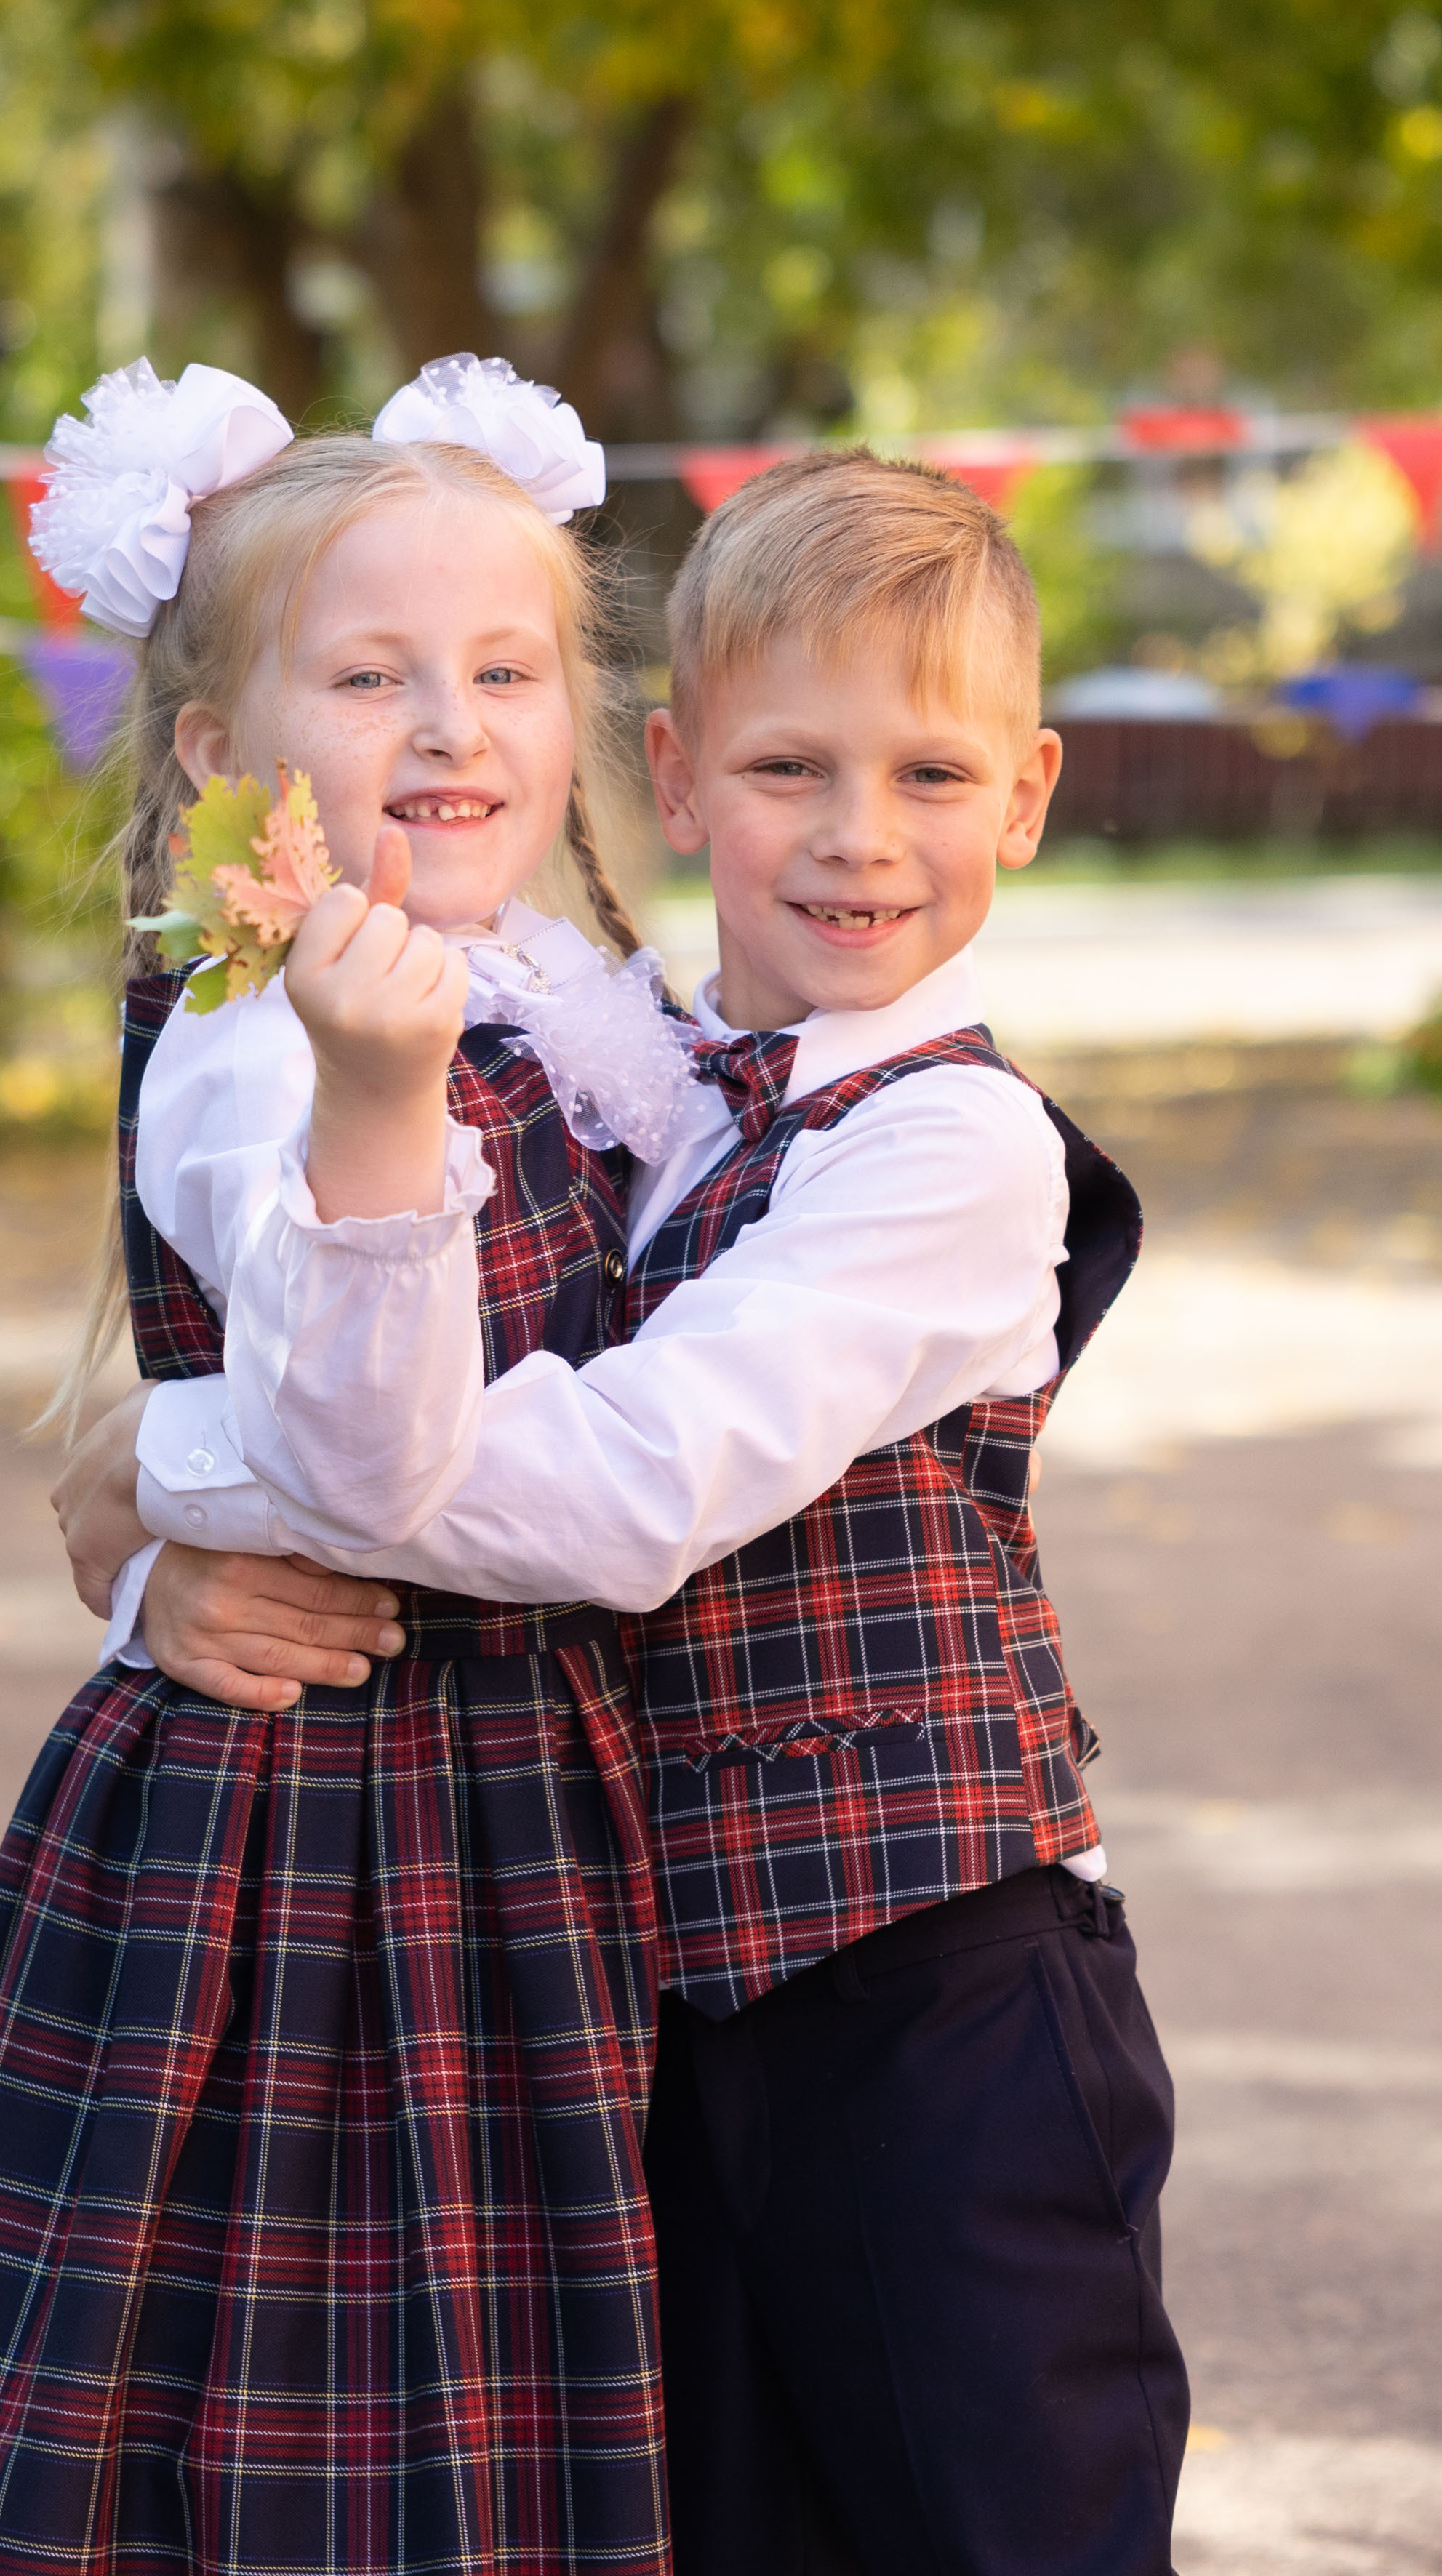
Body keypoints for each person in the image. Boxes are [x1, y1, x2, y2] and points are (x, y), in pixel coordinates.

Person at [65, 450, 1190, 2576]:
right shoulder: (637, 1076)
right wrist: (163, 1496)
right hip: (655, 1997)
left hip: (935, 1988)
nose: (859, 838)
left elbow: (619, 1489)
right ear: (673, 777)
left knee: (1005, 2528)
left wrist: (164, 1473)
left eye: (931, 776)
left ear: (1027, 797)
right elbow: (400, 1344)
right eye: (791, 767)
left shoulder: (952, 1154)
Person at [0, 353, 718, 2576]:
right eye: (370, 674)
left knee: (548, 2360)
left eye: (504, 670)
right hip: (316, 1810)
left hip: (555, 1791)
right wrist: (186, 1503)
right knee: (291, 2379)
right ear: (219, 750)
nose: (450, 726)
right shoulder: (263, 1031)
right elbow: (362, 1447)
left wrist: (153, 1481)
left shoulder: (585, 997)